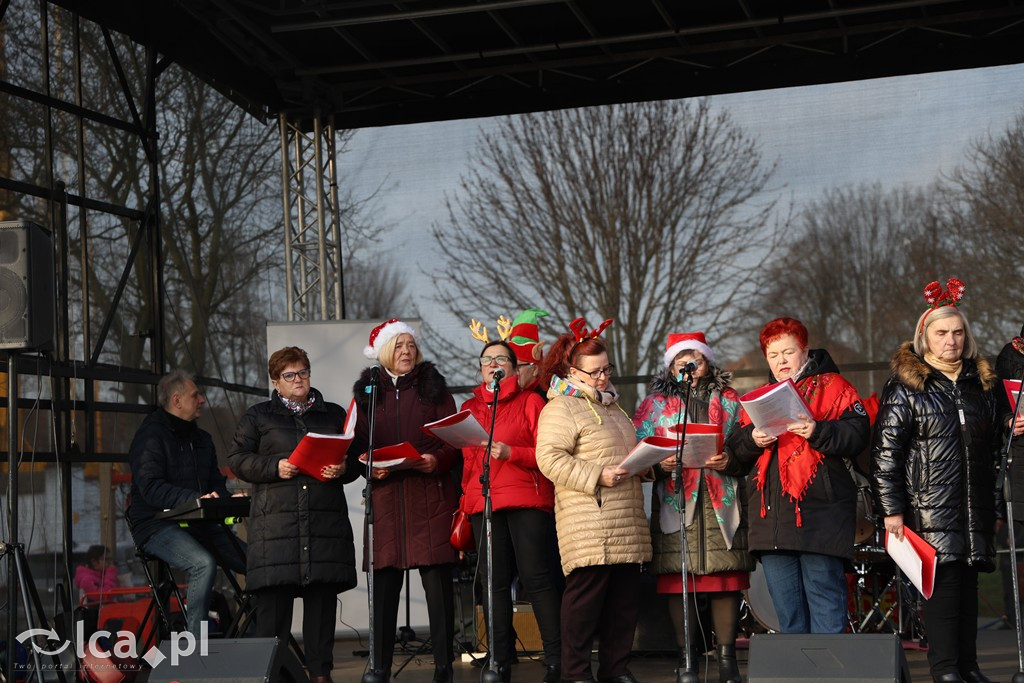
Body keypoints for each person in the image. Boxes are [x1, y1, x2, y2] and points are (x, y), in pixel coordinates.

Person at [872, 280, 1000, 683]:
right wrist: (891, 511)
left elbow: (993, 452)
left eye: (958, 332)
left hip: (972, 506)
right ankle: (945, 670)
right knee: (942, 591)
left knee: (967, 590)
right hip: (927, 507)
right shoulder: (908, 387)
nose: (952, 341)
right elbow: (885, 455)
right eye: (942, 333)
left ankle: (968, 665)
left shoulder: (982, 387)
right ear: (924, 337)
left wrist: (993, 505)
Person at [723, 317, 868, 634]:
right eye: (773, 355)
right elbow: (733, 454)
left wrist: (818, 431)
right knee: (787, 616)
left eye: (788, 352)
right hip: (772, 523)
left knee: (826, 608)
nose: (781, 361)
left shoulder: (834, 388)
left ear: (805, 350)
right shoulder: (759, 398)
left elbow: (859, 435)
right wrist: (753, 440)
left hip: (820, 517)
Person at [228, 346, 358, 683]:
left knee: (321, 605)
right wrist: (275, 466)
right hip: (277, 529)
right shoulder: (258, 416)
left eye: (303, 372)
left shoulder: (333, 413)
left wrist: (342, 468)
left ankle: (320, 673)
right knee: (273, 610)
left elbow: (356, 459)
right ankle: (269, 675)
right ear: (275, 381)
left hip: (322, 524)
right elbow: (238, 459)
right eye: (290, 375)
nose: (298, 379)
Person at [535, 318, 652, 683]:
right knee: (584, 602)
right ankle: (576, 672)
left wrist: (645, 466)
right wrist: (596, 475)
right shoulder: (561, 407)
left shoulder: (614, 408)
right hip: (590, 519)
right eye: (596, 372)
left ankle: (615, 669)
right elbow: (549, 458)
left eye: (607, 369)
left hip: (626, 517)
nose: (603, 377)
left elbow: (623, 453)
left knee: (623, 602)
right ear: (574, 372)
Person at [633, 332, 752, 683]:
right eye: (680, 361)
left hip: (720, 499)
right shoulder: (653, 405)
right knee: (677, 581)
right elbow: (638, 449)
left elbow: (747, 447)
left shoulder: (730, 400)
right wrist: (658, 464)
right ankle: (686, 659)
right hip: (676, 500)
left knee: (724, 579)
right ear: (671, 367)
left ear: (707, 362)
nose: (688, 366)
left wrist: (728, 459)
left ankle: (727, 661)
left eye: (695, 360)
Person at [351, 319, 460, 683]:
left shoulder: (435, 390)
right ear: (384, 351)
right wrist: (369, 467)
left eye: (411, 345)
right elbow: (355, 447)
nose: (406, 352)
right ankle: (378, 666)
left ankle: (444, 666)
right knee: (383, 590)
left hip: (429, 498)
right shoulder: (365, 393)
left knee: (439, 589)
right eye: (399, 346)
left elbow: (455, 442)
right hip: (385, 501)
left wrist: (436, 461)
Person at [461, 335, 562, 683]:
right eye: (488, 359)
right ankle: (498, 660)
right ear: (480, 368)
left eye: (501, 359)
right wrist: (466, 502)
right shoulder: (469, 409)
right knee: (494, 584)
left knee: (537, 579)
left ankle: (555, 660)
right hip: (484, 504)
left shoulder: (531, 402)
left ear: (514, 368)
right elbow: (468, 465)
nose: (494, 364)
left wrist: (512, 453)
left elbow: (548, 455)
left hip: (527, 500)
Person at [127, 369, 247, 637]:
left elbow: (214, 484)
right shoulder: (150, 436)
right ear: (177, 400)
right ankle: (196, 648)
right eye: (196, 395)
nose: (202, 400)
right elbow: (151, 488)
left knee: (258, 564)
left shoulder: (201, 439)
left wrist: (227, 500)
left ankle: (257, 638)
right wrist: (194, 500)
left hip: (198, 521)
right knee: (202, 564)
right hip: (155, 525)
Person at [995, 333, 1024, 629]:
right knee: (1014, 550)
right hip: (1019, 464)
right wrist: (1008, 421)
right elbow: (996, 407)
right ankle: (1014, 614)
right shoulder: (1010, 356)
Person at [507, 308, 549, 392]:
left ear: (535, 370)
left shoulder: (546, 399)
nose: (513, 372)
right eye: (510, 367)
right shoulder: (503, 395)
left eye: (517, 367)